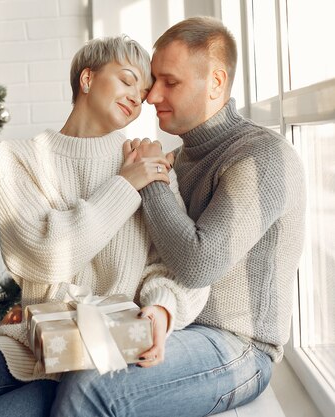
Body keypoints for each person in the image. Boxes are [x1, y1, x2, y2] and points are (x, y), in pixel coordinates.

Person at [0, 35, 209, 417]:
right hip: (36, 339)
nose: (135, 98)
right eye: (126, 80)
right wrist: (124, 187)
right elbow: (43, 256)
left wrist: (161, 308)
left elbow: (179, 264)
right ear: (87, 79)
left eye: (142, 94)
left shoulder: (146, 161)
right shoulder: (17, 158)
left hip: (107, 346)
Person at [50, 17, 306, 416]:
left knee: (92, 385)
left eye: (170, 82)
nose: (150, 96)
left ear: (216, 83)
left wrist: (151, 179)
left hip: (238, 348)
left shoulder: (263, 157)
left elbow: (198, 262)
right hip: (169, 324)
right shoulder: (178, 159)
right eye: (153, 81)